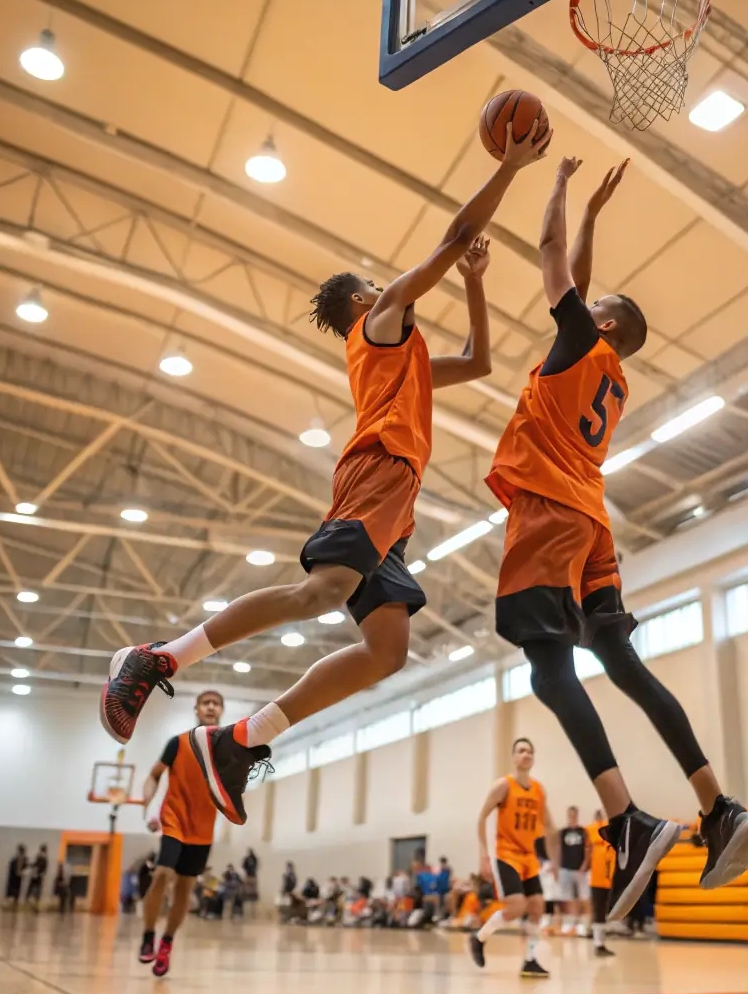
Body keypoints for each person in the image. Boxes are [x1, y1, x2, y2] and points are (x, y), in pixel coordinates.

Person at [100, 122, 550, 826]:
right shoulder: (379, 328)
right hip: (377, 473)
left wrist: (476, 285)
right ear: (365, 303)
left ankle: (242, 742)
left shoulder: (403, 359)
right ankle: (159, 657)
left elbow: (480, 361)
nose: (390, 285)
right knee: (322, 592)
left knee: (387, 650)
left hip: (395, 503)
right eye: (378, 284)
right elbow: (456, 233)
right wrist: (511, 168)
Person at [486, 156, 748, 921]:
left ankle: (628, 820)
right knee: (622, 664)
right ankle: (718, 807)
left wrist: (559, 189)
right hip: (592, 522)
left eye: (594, 301)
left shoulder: (582, 339)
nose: (583, 296)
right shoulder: (603, 362)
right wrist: (595, 217)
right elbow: (576, 274)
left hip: (548, 511)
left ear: (601, 321)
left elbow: (550, 259)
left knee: (549, 672)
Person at [138, 689, 225, 977]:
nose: (210, 707)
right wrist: (147, 805)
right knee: (163, 873)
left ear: (221, 711)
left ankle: (167, 943)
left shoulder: (227, 747)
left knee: (185, 889)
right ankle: (149, 933)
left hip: (203, 827)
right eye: (206, 703)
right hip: (174, 819)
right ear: (197, 709)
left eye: (216, 704)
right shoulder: (178, 743)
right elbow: (154, 775)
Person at [471, 736, 556, 979]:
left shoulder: (539, 790)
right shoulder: (504, 785)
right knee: (518, 906)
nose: (526, 754)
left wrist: (554, 858)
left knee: (538, 906)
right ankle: (479, 938)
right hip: (507, 854)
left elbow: (549, 823)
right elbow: (481, 817)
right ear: (514, 757)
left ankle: (530, 960)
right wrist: (484, 855)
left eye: (529, 751)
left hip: (529, 857)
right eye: (521, 750)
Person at [587, 808, 616, 957]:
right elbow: (587, 851)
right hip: (597, 878)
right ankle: (598, 943)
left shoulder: (615, 833)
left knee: (609, 909)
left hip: (613, 877)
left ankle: (602, 939)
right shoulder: (592, 832)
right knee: (598, 909)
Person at [558, 806, 591, 935]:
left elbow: (588, 849)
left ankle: (584, 924)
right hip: (565, 868)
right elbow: (558, 849)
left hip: (580, 869)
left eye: (574, 815)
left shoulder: (583, 831)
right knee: (568, 898)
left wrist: (585, 864)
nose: (572, 818)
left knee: (584, 897)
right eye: (570, 815)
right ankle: (569, 923)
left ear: (577, 816)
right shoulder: (563, 832)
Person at [26, 843, 48, 909]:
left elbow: (35, 865)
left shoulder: (39, 857)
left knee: (32, 888)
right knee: (37, 889)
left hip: (35, 875)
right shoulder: (45, 858)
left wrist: (29, 865)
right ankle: (35, 902)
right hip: (39, 876)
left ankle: (30, 900)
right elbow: (44, 869)